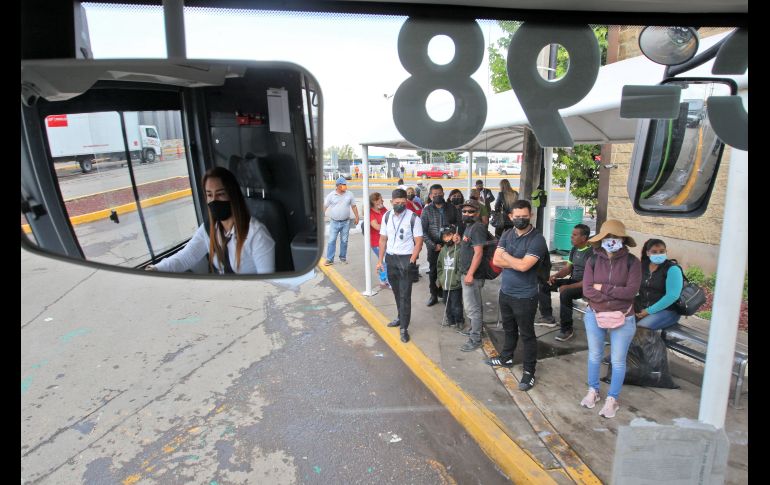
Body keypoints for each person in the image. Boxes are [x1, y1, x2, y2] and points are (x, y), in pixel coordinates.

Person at [147, 167, 275, 274]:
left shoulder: (256, 234)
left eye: (220, 194)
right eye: (209, 195)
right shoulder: (208, 230)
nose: (214, 200)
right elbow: (185, 258)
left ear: (232, 196)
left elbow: (268, 282)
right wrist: (156, 268)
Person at [580, 219, 642, 419]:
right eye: (608, 237)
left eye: (616, 237)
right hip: (594, 314)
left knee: (618, 360)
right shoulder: (592, 260)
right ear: (601, 239)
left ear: (623, 240)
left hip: (623, 316)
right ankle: (593, 390)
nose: (612, 240)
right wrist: (614, 294)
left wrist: (603, 289)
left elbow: (631, 292)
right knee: (594, 355)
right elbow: (588, 290)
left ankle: (612, 399)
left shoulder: (633, 262)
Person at [487, 200, 548, 391]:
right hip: (506, 292)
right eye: (517, 216)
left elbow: (524, 266)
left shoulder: (537, 239)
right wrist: (515, 261)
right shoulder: (507, 233)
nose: (521, 219)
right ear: (510, 217)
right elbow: (496, 260)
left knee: (527, 335)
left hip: (526, 296)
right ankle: (506, 357)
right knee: (509, 329)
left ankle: (529, 372)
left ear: (531, 216)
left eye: (524, 216)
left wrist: (507, 256)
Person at [376, 188, 424, 343]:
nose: (400, 205)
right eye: (397, 202)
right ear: (391, 202)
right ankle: (400, 317)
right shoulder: (387, 216)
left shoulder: (413, 218)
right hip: (391, 259)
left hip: (406, 259)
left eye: (403, 202)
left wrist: (412, 260)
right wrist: (380, 260)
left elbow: (419, 242)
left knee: (405, 295)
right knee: (397, 292)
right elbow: (383, 239)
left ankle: (404, 327)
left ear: (407, 202)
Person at [537, 224, 593, 341]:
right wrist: (555, 276)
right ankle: (547, 317)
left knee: (565, 294)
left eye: (575, 235)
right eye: (572, 234)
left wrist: (567, 287)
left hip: (585, 286)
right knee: (545, 284)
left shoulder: (591, 254)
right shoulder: (574, 249)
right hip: (574, 281)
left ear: (584, 238)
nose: (571, 237)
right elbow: (567, 269)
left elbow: (588, 281)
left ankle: (567, 329)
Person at [421, 184, 461, 307]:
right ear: (430, 196)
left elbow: (459, 224)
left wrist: (452, 239)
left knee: (448, 270)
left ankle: (445, 293)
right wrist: (433, 245)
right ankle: (433, 295)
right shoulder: (427, 210)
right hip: (434, 247)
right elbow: (423, 231)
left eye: (439, 194)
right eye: (435, 194)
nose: (437, 196)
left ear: (443, 194)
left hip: (449, 246)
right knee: (433, 271)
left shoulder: (451, 208)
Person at [457, 199, 487, 352]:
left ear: (478, 213)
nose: (467, 214)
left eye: (471, 211)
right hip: (468, 273)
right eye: (464, 211)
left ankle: (475, 339)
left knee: (472, 308)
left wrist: (470, 274)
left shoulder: (477, 228)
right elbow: (469, 247)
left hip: (472, 275)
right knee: (475, 305)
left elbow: (478, 253)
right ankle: (476, 330)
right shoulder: (469, 227)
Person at [635, 238, 684, 331]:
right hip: (643, 305)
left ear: (666, 252)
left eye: (661, 251)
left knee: (641, 328)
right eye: (654, 252)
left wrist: (648, 311)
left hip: (667, 310)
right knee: (621, 318)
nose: (658, 254)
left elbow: (672, 296)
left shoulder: (672, 269)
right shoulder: (643, 266)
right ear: (648, 253)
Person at [324, 176, 359, 266]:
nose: (345, 186)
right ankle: (329, 259)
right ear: (338, 185)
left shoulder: (349, 194)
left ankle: (343, 258)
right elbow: (325, 206)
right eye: (343, 184)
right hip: (334, 222)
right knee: (331, 240)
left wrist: (357, 217)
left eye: (345, 184)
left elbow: (354, 206)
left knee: (344, 241)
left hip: (345, 222)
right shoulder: (331, 195)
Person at [436, 225, 463, 328]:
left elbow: (461, 267)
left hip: (455, 284)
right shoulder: (443, 250)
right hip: (445, 284)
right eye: (444, 237)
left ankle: (459, 320)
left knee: (456, 305)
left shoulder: (459, 249)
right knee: (446, 303)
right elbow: (439, 266)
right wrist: (440, 278)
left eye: (449, 235)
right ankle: (450, 320)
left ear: (455, 235)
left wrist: (457, 278)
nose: (447, 238)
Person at [369, 192, 390, 289]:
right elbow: (376, 227)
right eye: (380, 199)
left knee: (383, 261)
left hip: (386, 240)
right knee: (385, 261)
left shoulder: (383, 209)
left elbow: (390, 219)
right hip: (376, 242)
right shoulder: (370, 212)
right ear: (375, 201)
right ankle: (389, 282)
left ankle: (383, 280)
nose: (382, 200)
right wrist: (387, 226)